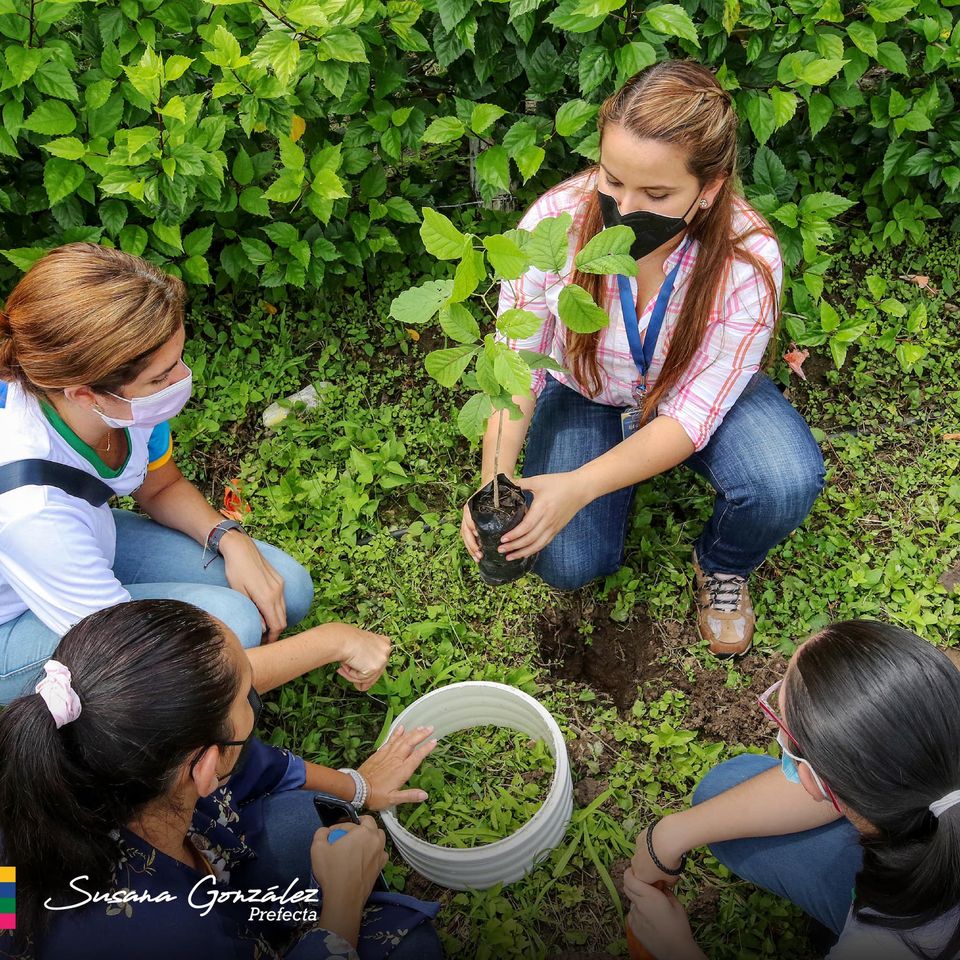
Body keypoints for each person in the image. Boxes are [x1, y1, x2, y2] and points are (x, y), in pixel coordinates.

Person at [460, 60, 824, 657]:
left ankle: (723, 563)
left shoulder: (746, 259)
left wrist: (578, 487)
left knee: (782, 480)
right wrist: (494, 483)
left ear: (708, 190)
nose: (624, 209)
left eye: (656, 194)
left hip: (687, 392)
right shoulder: (553, 225)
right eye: (612, 180)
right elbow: (516, 362)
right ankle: (611, 468)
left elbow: (692, 414)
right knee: (565, 561)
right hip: (589, 391)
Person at [0, 242, 390, 703]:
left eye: (178, 359)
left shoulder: (121, 405)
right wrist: (332, 642)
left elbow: (160, 485)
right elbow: (147, 667)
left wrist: (230, 539)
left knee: (290, 588)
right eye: (161, 377)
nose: (181, 379)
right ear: (86, 394)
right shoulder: (34, 511)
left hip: (87, 541)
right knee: (232, 625)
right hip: (14, 619)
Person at [0, 599, 444, 960]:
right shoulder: (170, 937)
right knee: (412, 947)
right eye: (248, 695)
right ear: (205, 767)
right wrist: (343, 903)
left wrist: (360, 787)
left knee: (302, 818)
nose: (254, 697)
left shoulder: (69, 754)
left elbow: (255, 766)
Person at [623, 620, 960, 959]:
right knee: (725, 788)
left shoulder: (884, 944)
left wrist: (675, 949)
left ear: (813, 781)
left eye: (783, 720)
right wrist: (670, 834)